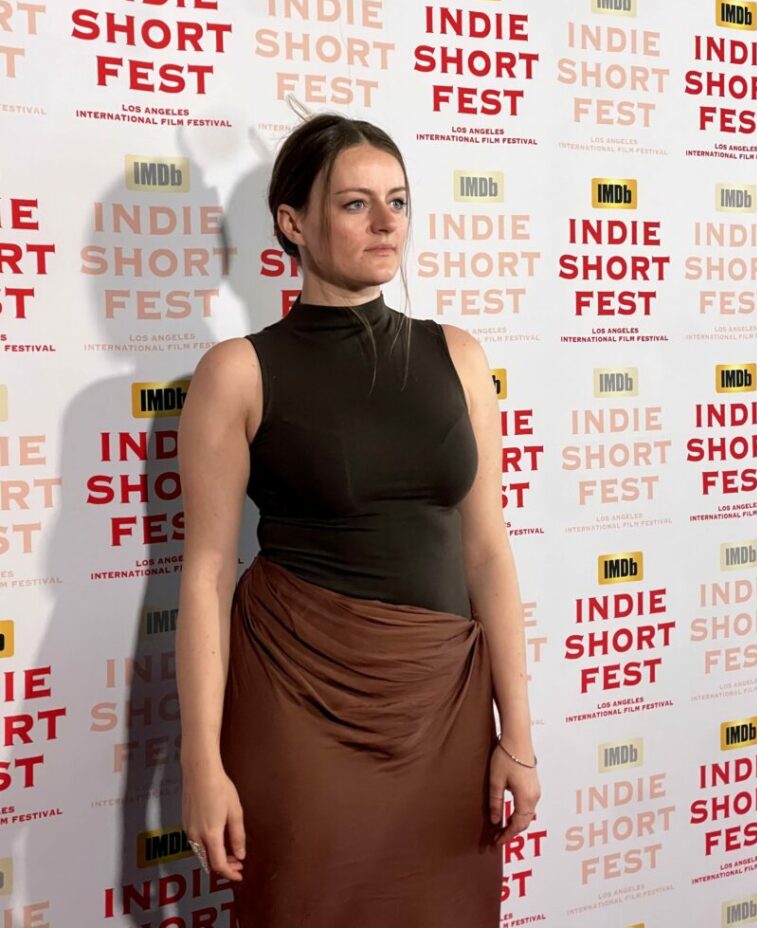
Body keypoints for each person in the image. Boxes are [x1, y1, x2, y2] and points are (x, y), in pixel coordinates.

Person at [175, 104, 540, 928]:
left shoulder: (459, 356)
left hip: (445, 710)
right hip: (297, 704)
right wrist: (202, 761)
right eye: (354, 203)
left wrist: (515, 736)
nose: (386, 222)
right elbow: (205, 574)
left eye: (398, 201)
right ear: (292, 223)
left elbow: (487, 553)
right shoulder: (239, 372)